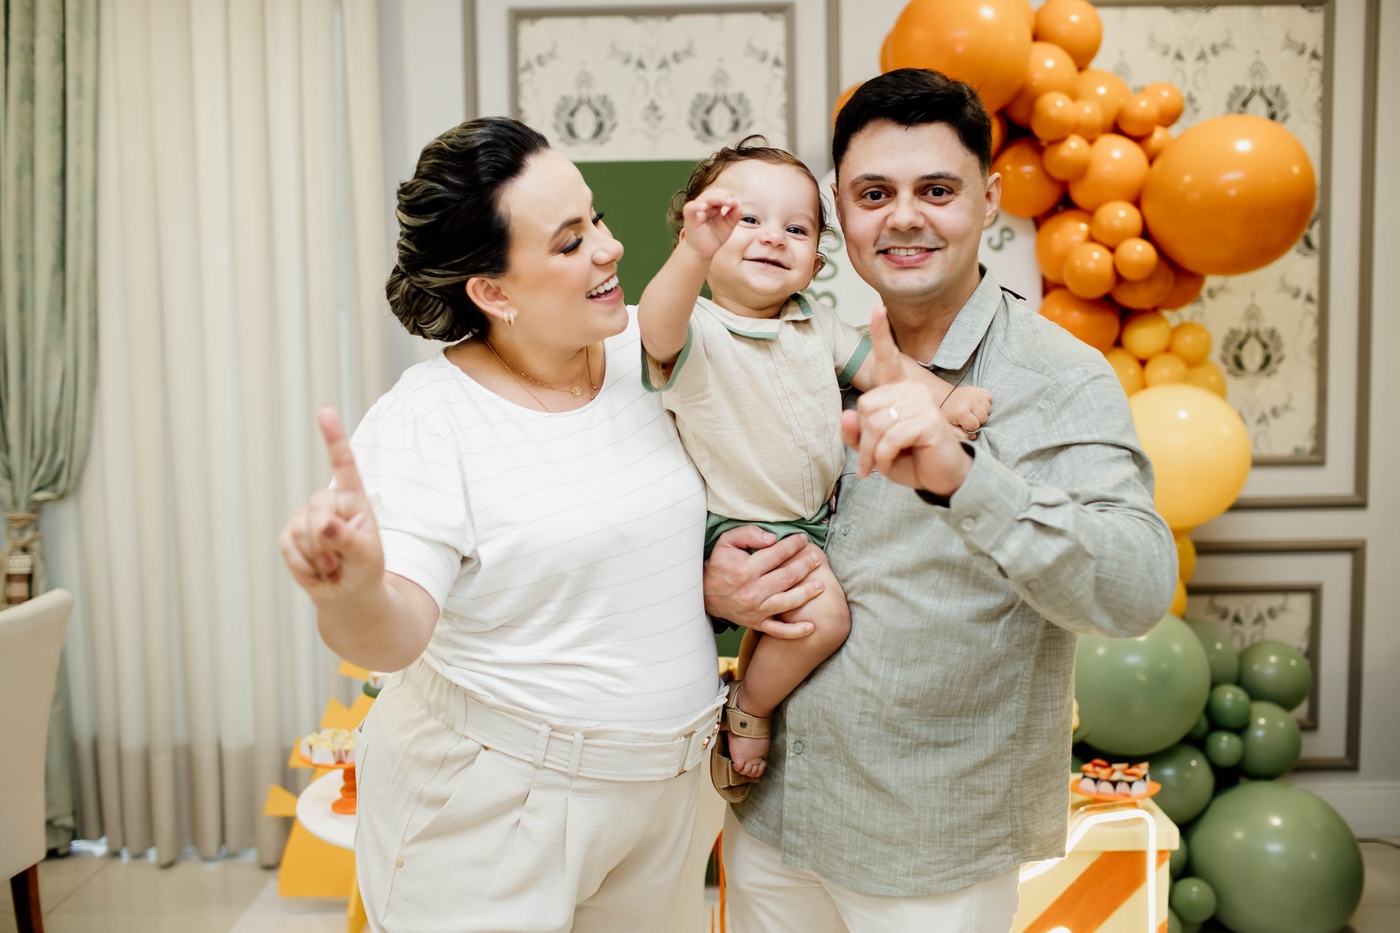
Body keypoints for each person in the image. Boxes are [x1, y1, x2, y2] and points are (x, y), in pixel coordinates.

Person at [702, 69, 1178, 933]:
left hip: (928, 851)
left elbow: (1137, 588)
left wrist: (964, 474)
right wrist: (713, 582)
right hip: (774, 818)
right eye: (874, 194)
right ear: (840, 212)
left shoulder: (1056, 377)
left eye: (937, 190)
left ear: (989, 199)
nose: (904, 217)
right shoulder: (799, 350)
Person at [278, 116, 740, 933]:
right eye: (570, 242)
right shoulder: (430, 417)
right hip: (498, 813)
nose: (610, 248)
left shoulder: (655, 347)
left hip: (667, 798)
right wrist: (350, 590)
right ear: (492, 292)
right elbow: (393, 635)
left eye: (596, 218)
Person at [637, 138, 990, 799]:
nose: (774, 237)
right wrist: (691, 253)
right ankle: (749, 707)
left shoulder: (813, 322)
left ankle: (750, 685)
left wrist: (944, 401)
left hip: (815, 520)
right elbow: (655, 326)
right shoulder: (697, 330)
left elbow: (883, 370)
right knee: (823, 620)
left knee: (797, 625)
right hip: (744, 525)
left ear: (815, 262)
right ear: (699, 233)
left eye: (796, 229)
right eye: (746, 219)